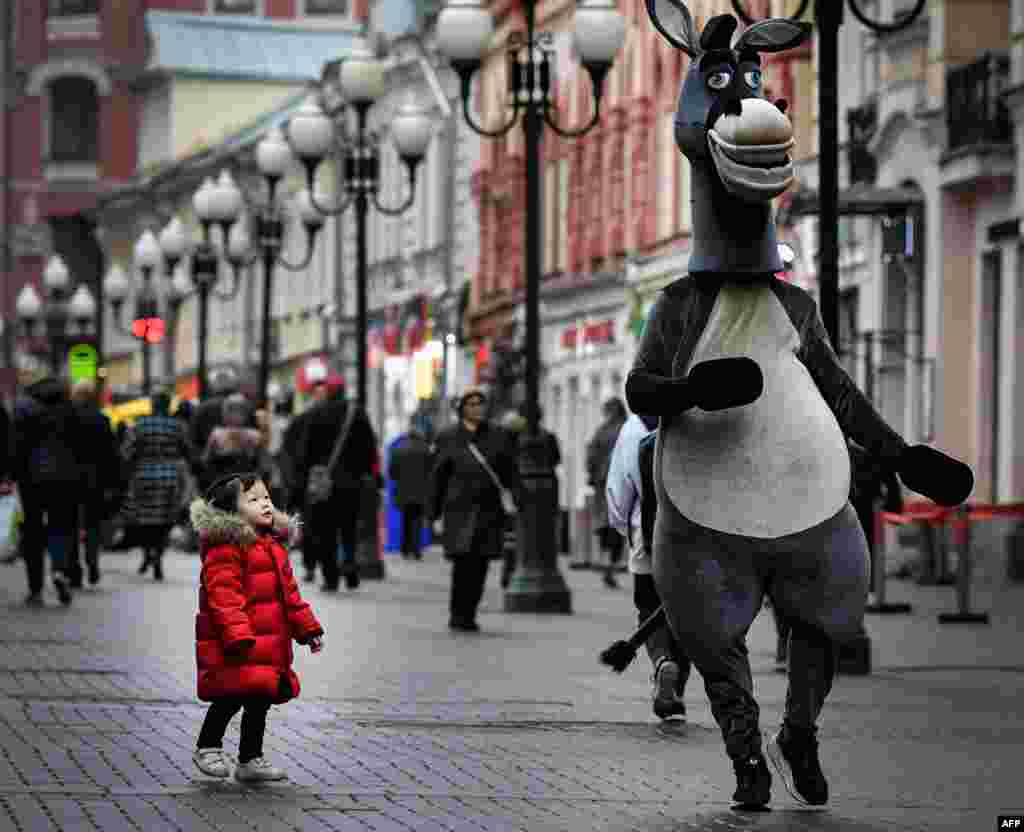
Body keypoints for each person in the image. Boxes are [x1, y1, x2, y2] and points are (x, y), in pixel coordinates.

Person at [189, 472, 324, 783]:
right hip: (240, 641)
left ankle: (250, 758)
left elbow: (291, 596)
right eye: (253, 500)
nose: (265, 504)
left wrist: (308, 629)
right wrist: (236, 634)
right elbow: (223, 596)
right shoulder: (226, 546)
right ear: (230, 511)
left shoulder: (273, 546)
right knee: (230, 696)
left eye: (266, 498)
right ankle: (208, 746)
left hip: (269, 643)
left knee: (259, 700)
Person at [606, 414, 690, 720]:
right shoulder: (695, 421)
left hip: (648, 534)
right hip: (694, 540)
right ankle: (676, 687)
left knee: (648, 606)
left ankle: (661, 662)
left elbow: (619, 488)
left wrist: (625, 528)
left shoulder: (632, 430)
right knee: (686, 613)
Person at [430, 388, 519, 632]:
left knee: (480, 563)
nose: (476, 408)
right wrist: (434, 513)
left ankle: (469, 612)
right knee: (461, 563)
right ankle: (458, 613)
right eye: (471, 404)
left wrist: (514, 497)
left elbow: (510, 470)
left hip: (489, 509)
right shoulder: (448, 437)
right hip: (458, 508)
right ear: (462, 409)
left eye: (480, 403)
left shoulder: (498, 436)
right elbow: (438, 477)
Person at [293, 378, 378, 592]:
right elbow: (369, 445)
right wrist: (369, 473)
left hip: (324, 482)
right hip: (352, 481)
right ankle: (349, 564)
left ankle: (331, 577)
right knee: (349, 526)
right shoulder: (356, 413)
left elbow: (305, 451)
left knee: (325, 530)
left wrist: (303, 479)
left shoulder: (316, 414)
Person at [11, 377, 81, 606]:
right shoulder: (70, 415)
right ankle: (59, 570)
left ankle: (35, 588)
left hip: (32, 481)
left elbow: (17, 448)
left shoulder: (27, 416)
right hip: (64, 481)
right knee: (59, 528)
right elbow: (80, 450)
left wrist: (13, 475)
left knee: (33, 532)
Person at [121, 389, 194, 581]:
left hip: (143, 475)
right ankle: (158, 557)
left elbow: (127, 451)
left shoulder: (139, 424)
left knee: (143, 518)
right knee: (165, 520)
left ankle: (147, 553)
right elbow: (187, 449)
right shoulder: (177, 426)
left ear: (152, 404)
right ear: (168, 405)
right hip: (169, 476)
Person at [277, 378, 336, 583]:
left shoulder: (331, 421)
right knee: (310, 524)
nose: (320, 399)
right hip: (304, 482)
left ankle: (320, 565)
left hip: (327, 481)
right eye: (318, 395)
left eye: (324, 395)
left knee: (321, 524)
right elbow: (288, 452)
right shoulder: (301, 420)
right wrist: (291, 479)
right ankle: (311, 564)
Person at [67, 379, 121, 587]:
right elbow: (111, 455)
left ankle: (74, 568)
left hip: (71, 479)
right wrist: (113, 483)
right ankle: (92, 563)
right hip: (95, 481)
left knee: (71, 524)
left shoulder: (68, 419)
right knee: (92, 525)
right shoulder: (102, 420)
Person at [586, 397, 628, 588]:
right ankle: (610, 564)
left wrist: (592, 474)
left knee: (604, 523)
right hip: (620, 484)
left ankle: (605, 561)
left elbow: (591, 454)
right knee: (617, 526)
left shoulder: (601, 431)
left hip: (602, 484)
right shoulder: (627, 429)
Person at [388, 416, 433, 560]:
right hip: (421, 490)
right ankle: (416, 549)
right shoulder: (425, 449)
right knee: (417, 520)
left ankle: (405, 549)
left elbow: (392, 472)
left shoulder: (398, 449)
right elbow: (431, 470)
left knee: (406, 519)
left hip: (403, 490)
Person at [201, 393, 267, 487]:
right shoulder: (254, 435)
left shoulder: (216, 434)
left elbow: (205, 460)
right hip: (245, 485)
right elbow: (263, 465)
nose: (235, 414)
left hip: (223, 484)